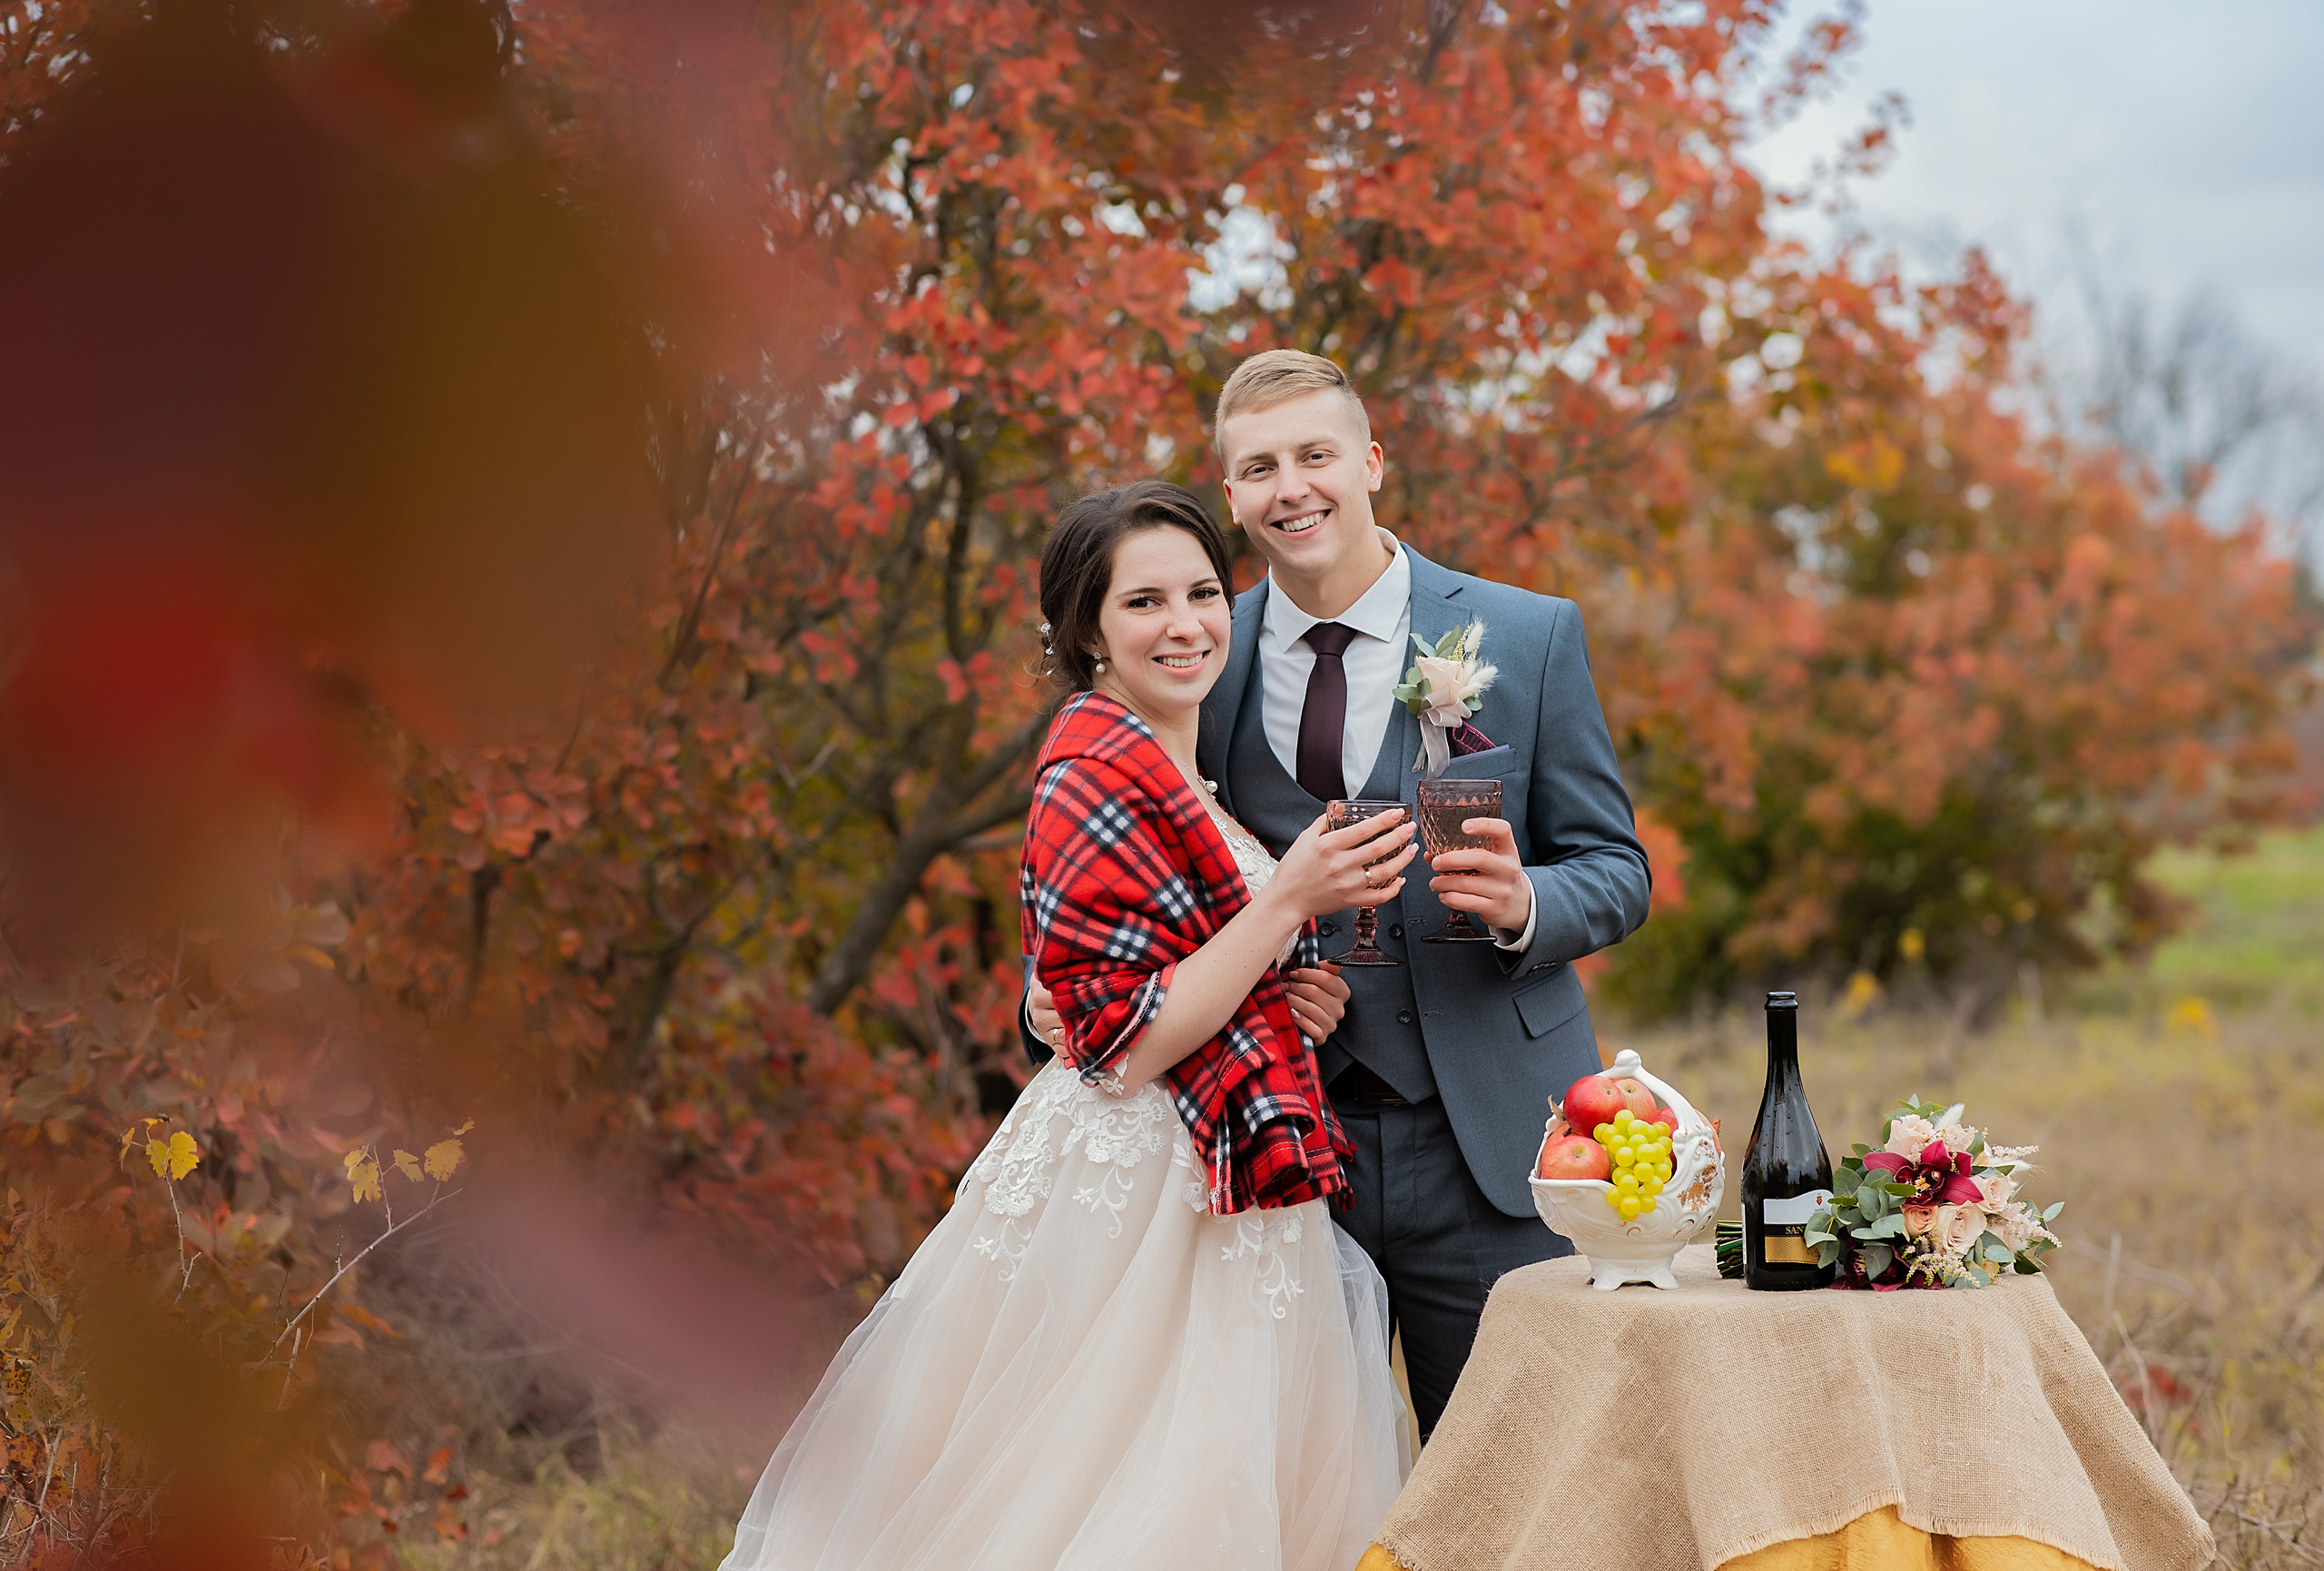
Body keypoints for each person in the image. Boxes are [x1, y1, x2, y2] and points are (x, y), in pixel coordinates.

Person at [720, 480, 1413, 1571]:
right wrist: (1286, 900)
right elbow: (1121, 1041)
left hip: (1223, 1179)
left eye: (1199, 591)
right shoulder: (1092, 765)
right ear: (1087, 628)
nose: (1183, 622)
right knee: (1119, 1502)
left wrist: (1276, 996)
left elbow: (1144, 970)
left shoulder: (1179, 763)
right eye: (1144, 601)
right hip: (1138, 1193)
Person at [1027, 351, 1651, 1440]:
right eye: (1259, 467)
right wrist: (1048, 1001)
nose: (1291, 487)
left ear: (1369, 461)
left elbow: (1614, 867)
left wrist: (1522, 904)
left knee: (1519, 1474)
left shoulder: (1524, 634)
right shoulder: (1193, 650)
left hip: (1491, 1144)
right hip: (1269, 1152)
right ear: (1231, 495)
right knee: (1308, 1481)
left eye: (1315, 454)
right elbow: (1110, 860)